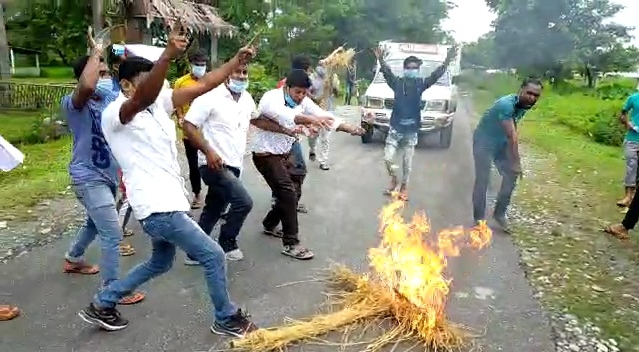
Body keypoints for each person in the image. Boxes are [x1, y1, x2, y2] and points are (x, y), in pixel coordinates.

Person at [78, 26, 257, 336]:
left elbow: (205, 85)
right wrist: (167, 56)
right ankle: (225, 317)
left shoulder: (158, 102)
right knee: (213, 254)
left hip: (168, 202)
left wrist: (233, 61)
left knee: (160, 262)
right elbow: (143, 96)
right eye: (146, 81)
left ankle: (103, 302)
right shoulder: (115, 113)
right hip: (156, 206)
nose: (154, 87)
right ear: (126, 85)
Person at [61, 30, 145, 305]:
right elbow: (86, 87)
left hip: (108, 176)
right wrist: (97, 51)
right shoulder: (74, 103)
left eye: (107, 72)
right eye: (100, 71)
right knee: (112, 233)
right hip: (87, 177)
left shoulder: (110, 100)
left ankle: (73, 259)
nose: (104, 76)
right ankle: (113, 290)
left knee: (93, 224)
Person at [251, 69, 364, 259]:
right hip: (265, 154)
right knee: (287, 193)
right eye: (297, 92)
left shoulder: (303, 100)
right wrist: (310, 120)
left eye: (304, 93)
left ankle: (269, 224)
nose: (301, 97)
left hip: (285, 152)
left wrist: (348, 127)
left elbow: (323, 115)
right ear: (287, 88)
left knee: (295, 190)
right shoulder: (271, 98)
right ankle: (291, 243)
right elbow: (286, 116)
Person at [181, 62, 256, 264]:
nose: (241, 76)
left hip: (235, 163)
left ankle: (194, 252)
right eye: (237, 72)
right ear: (225, 75)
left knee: (214, 207)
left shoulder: (247, 99)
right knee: (243, 202)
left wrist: (292, 125)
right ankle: (227, 241)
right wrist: (208, 151)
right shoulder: (209, 97)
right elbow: (188, 125)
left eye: (244, 72)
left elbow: (257, 119)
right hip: (212, 163)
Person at [372, 45, 457, 200]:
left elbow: (436, 75)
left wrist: (447, 61)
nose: (412, 70)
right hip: (395, 129)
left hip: (411, 131)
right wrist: (380, 59)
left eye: (415, 68)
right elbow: (386, 72)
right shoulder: (397, 83)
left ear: (418, 69)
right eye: (409, 67)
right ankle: (394, 179)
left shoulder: (421, 83)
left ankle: (404, 188)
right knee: (388, 158)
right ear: (404, 69)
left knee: (407, 163)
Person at [472, 78, 542, 232]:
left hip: (501, 142)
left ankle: (499, 213)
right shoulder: (505, 104)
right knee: (483, 179)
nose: (532, 97)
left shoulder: (524, 105)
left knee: (511, 175)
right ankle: (479, 218)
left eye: (536, 95)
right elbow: (512, 136)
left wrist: (513, 163)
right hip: (484, 141)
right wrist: (516, 162)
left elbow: (512, 126)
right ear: (521, 90)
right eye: (529, 93)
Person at [274, 54, 314, 212]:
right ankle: (285, 202)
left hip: (290, 133)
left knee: (286, 170)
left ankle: (285, 200)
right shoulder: (287, 86)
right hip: (285, 134)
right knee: (296, 169)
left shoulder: (291, 84)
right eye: (308, 70)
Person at [174, 51, 209, 209]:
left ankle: (216, 194)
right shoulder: (181, 82)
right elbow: (177, 104)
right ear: (191, 65)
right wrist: (180, 117)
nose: (200, 68)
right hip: (189, 129)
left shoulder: (211, 81)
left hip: (208, 129)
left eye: (203, 65)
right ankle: (197, 194)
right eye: (198, 65)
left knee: (212, 160)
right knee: (193, 163)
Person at [307, 64, 340, 170]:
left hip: (328, 112)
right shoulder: (312, 78)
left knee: (325, 139)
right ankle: (312, 150)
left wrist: (334, 86)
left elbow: (338, 93)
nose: (323, 67)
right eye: (322, 64)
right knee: (312, 136)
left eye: (326, 65)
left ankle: (323, 161)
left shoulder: (332, 77)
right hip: (314, 113)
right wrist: (315, 99)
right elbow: (307, 92)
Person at [616, 90, 639, 209]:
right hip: (633, 138)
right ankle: (628, 196)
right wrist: (627, 123)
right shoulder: (634, 98)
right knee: (631, 167)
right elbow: (622, 114)